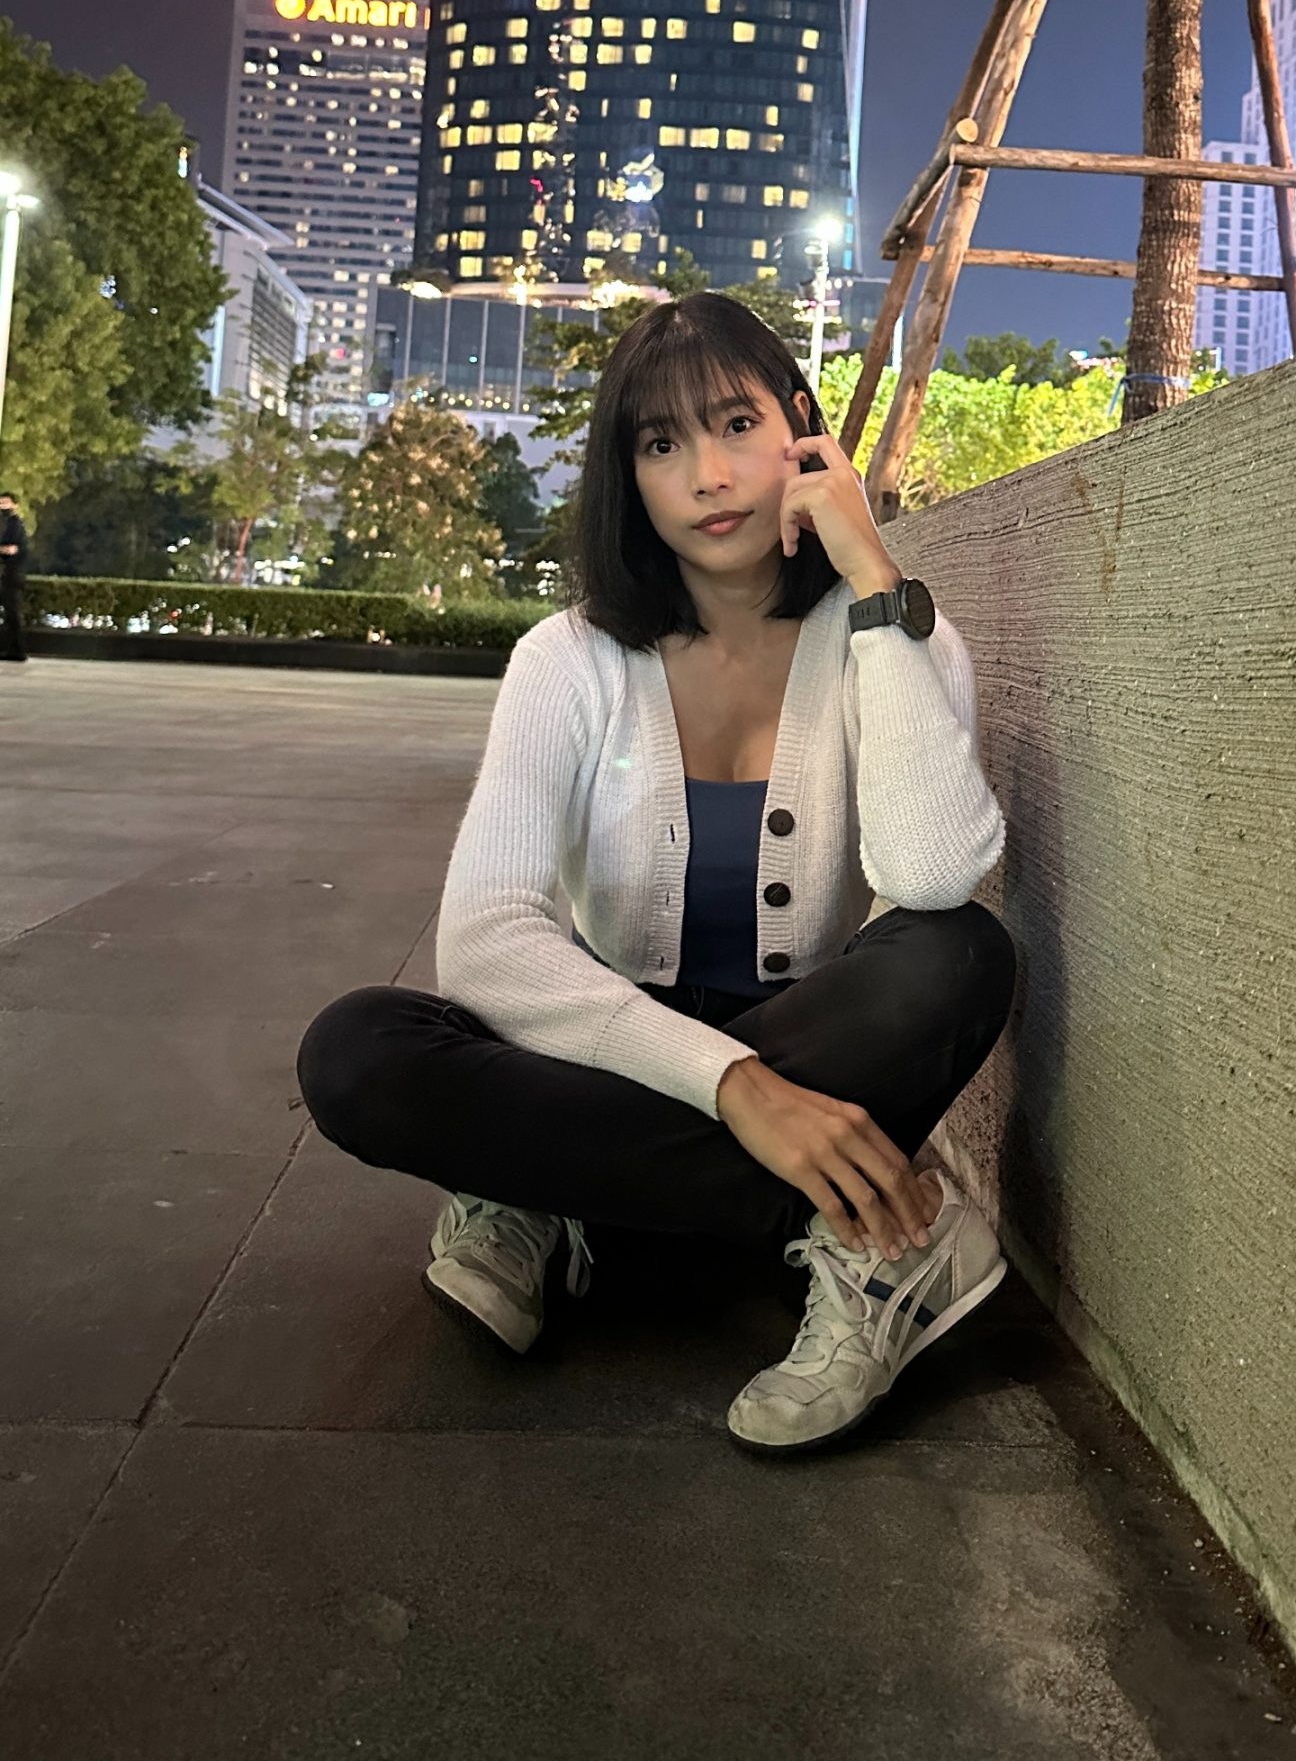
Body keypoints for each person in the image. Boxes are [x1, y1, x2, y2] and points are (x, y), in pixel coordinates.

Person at [298, 295, 1015, 1452]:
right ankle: (878, 1228)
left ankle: (559, 1186)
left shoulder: (896, 635)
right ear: (627, 477)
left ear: (800, 426)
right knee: (355, 1050)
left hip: (809, 1037)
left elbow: (933, 874)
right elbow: (485, 939)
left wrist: (875, 581)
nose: (708, 475)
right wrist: (736, 1089)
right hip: (616, 1043)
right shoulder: (569, 658)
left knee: (959, 954)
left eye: (736, 424)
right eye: (662, 443)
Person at [0, 491, 29, 662]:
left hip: (13, 574)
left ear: (15, 505)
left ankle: (18, 651)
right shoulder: (10, 524)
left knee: (13, 613)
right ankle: (13, 650)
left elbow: (12, 549)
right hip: (11, 573)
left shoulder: (15, 525)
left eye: (5, 503)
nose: (2, 506)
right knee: (10, 614)